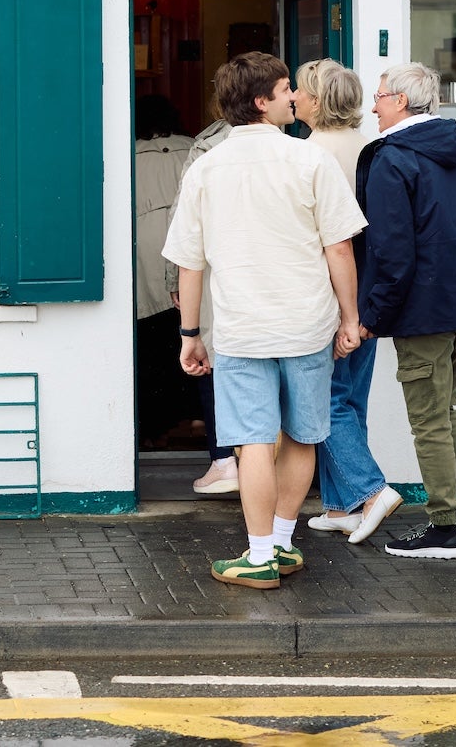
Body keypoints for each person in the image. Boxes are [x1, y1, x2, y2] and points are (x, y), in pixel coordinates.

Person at [163, 52, 366, 590]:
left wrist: (190, 334)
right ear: (261, 101)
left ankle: (257, 556)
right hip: (306, 323)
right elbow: (340, 248)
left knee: (252, 441)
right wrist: (351, 318)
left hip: (241, 327)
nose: (295, 97)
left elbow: (190, 261)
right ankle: (281, 543)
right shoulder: (310, 161)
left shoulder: (205, 167)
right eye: (284, 89)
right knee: (301, 435)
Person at [355, 62, 456, 560]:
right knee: (445, 409)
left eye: (378, 96)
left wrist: (371, 314)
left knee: (428, 420)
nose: (372, 106)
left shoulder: (391, 160)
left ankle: (443, 527)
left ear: (399, 100)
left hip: (421, 311)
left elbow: (391, 250)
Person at [293, 59, 401, 546]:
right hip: (371, 293)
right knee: (351, 396)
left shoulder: (309, 154)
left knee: (326, 398)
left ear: (316, 100)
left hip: (332, 295)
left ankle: (369, 489)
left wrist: (343, 313)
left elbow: (322, 240)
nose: (292, 97)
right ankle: (342, 507)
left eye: (298, 90)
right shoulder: (374, 147)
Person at [166, 107, 238, 493]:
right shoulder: (299, 147)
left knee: (212, 359)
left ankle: (225, 459)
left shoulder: (207, 147)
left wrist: (171, 280)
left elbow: (184, 219)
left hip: (217, 275)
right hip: (275, 283)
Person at [133, 95, 197, 450]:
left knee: (150, 341)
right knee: (189, 334)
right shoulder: (194, 148)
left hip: (143, 249)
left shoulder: (128, 154)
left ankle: (154, 428)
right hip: (184, 247)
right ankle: (195, 418)